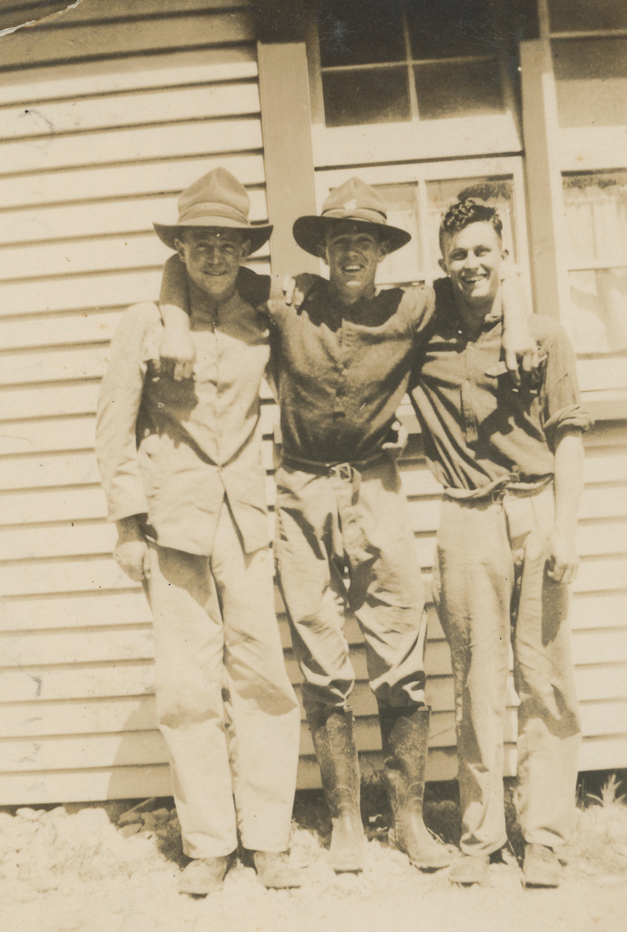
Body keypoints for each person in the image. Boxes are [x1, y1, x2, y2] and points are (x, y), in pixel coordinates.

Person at [158, 177, 534, 875]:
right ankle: (345, 823)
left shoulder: (414, 306)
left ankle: (413, 822)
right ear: (325, 250)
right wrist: (176, 323)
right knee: (323, 661)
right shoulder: (286, 300)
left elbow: (488, 280)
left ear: (383, 251)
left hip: (377, 491)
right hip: (299, 491)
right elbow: (186, 266)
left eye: (365, 240)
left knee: (401, 655)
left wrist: (518, 326)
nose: (352, 252)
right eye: (341, 241)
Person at [95, 168, 302, 896]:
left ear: (245, 250)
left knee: (263, 681)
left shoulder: (263, 313)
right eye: (200, 241)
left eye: (228, 243)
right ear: (179, 246)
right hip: (175, 525)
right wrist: (126, 524)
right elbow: (112, 429)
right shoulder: (144, 322)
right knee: (187, 689)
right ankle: (209, 843)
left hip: (246, 520)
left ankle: (269, 838)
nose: (215, 254)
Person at [409, 198, 593, 887]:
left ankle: (543, 836)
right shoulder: (422, 332)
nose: (471, 264)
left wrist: (567, 528)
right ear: (442, 263)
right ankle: (481, 837)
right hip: (465, 518)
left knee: (543, 679)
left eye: (484, 252)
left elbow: (570, 433)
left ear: (504, 255)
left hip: (535, 509)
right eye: (458, 254)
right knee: (475, 683)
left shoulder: (546, 335)